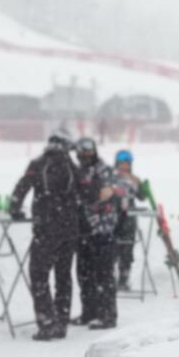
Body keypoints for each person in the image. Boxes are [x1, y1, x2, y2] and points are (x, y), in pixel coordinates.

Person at [10, 130, 79, 340]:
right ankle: (61, 322)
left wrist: (15, 209)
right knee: (63, 277)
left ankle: (46, 322)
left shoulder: (38, 164)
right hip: (69, 230)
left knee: (39, 276)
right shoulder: (71, 166)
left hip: (46, 230)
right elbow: (86, 191)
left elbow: (21, 188)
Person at [71, 137, 119, 329]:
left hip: (102, 229)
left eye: (90, 151)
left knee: (103, 274)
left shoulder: (103, 170)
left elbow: (104, 194)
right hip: (83, 230)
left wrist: (88, 195)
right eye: (83, 152)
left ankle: (107, 316)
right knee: (84, 274)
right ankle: (89, 312)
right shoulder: (77, 171)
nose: (86, 155)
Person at [111, 149, 143, 292]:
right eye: (121, 164)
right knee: (112, 249)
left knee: (127, 249)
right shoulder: (111, 178)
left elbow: (142, 196)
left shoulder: (133, 180)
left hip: (129, 219)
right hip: (113, 218)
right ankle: (109, 278)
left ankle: (124, 278)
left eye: (126, 164)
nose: (124, 167)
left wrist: (140, 185)